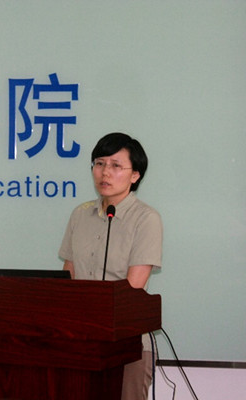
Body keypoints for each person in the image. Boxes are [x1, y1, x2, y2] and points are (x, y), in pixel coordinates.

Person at [59, 132, 163, 400]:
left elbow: (133, 288)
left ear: (135, 175)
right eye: (99, 163)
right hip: (81, 340)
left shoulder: (146, 219)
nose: (105, 172)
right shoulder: (80, 214)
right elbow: (67, 280)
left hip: (127, 344)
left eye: (116, 165)